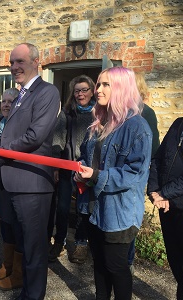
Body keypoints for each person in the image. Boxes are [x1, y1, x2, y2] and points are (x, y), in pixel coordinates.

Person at [0, 43, 60, 299]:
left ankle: (33, 295)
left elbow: (34, 137)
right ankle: (25, 289)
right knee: (23, 242)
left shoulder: (47, 92)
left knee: (34, 248)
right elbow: (8, 135)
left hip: (32, 183)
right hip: (14, 180)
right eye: (11, 62)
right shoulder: (22, 93)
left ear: (36, 62)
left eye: (19, 61)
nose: (13, 67)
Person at [73, 66, 152, 300]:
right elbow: (88, 160)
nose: (98, 90)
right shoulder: (99, 122)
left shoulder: (137, 127)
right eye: (99, 84)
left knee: (116, 268)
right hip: (94, 208)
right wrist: (80, 171)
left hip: (119, 214)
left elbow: (134, 173)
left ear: (121, 88)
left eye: (106, 84)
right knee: (99, 264)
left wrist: (96, 176)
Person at [48, 75, 96, 264]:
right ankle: (59, 241)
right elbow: (57, 139)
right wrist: (56, 165)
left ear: (92, 91)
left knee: (84, 208)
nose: (80, 94)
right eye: (77, 90)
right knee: (62, 207)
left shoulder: (99, 113)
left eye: (84, 90)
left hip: (89, 168)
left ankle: (81, 244)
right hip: (68, 166)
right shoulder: (67, 112)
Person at [0, 87, 23, 291]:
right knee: (6, 223)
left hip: (17, 180)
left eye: (11, 101)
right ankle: (7, 265)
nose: (6, 104)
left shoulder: (19, 125)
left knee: (17, 226)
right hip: (2, 179)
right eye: (3, 101)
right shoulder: (2, 123)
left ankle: (18, 274)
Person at [127, 72, 160, 273]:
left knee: (129, 220)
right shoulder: (116, 111)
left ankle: (126, 267)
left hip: (135, 174)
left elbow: (154, 149)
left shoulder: (145, 113)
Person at [147, 117, 183, 300]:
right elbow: (158, 158)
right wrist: (154, 190)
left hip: (178, 205)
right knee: (176, 262)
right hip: (168, 207)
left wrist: (165, 193)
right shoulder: (178, 124)